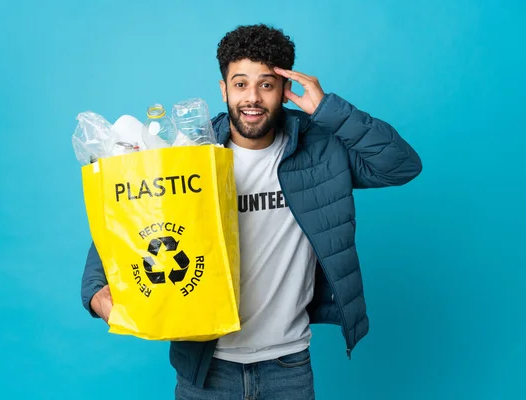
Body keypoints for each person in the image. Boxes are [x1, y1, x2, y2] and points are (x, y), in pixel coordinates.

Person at [81, 23, 422, 399]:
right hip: (207, 368)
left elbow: (400, 165)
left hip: (288, 367)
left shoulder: (322, 151)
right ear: (224, 89)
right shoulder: (190, 154)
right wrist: (95, 290)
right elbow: (132, 217)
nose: (252, 98)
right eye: (240, 84)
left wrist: (327, 109)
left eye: (266, 84)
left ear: (284, 91)